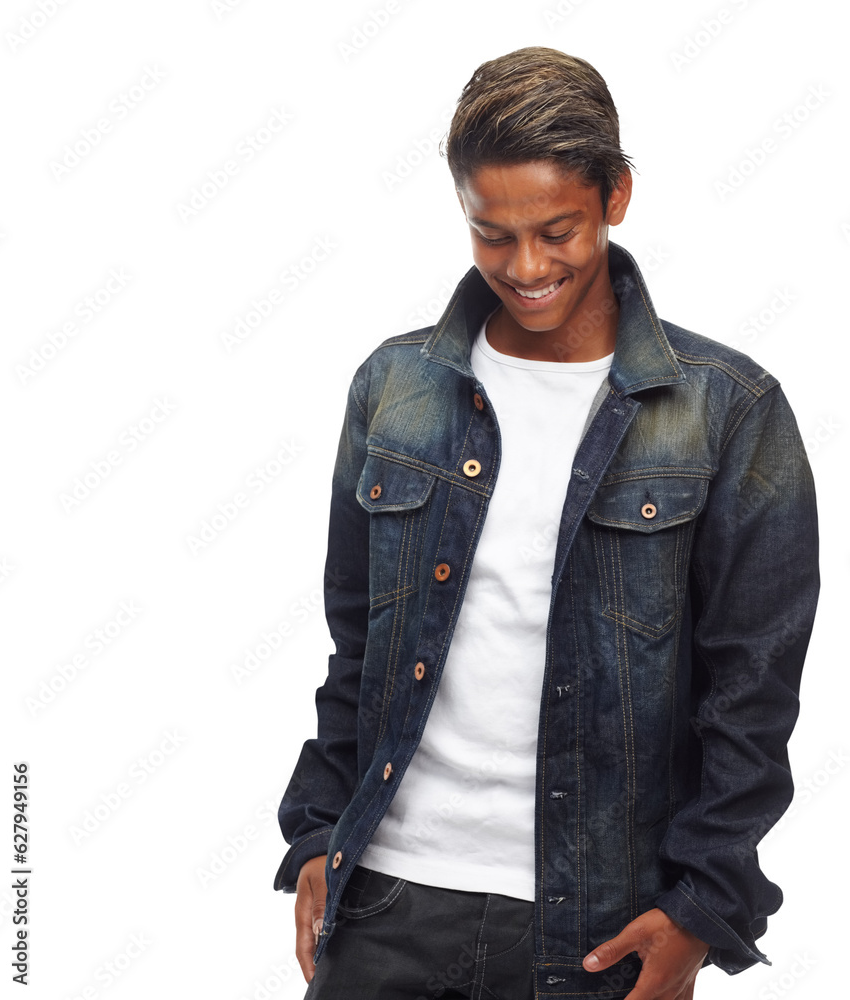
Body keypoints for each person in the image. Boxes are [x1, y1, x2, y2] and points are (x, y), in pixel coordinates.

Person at [273, 47, 820, 1000]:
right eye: (492, 235)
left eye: (556, 231)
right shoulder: (394, 390)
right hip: (386, 900)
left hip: (599, 923)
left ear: (616, 197)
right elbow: (356, 644)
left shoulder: (727, 410)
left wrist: (703, 907)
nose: (525, 268)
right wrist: (319, 832)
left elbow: (753, 690)